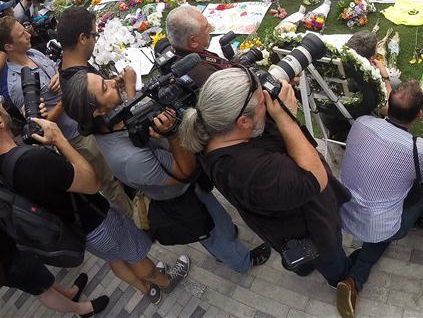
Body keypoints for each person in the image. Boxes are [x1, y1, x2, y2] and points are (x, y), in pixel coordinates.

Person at [61, 69, 269, 275]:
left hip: (186, 188)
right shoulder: (128, 158)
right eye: (105, 88)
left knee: (216, 224)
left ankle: (224, 242)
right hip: (181, 196)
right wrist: (172, 133)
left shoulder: (110, 122)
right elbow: (184, 171)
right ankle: (241, 262)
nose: (113, 82)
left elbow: (132, 115)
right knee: (214, 229)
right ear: (97, 111)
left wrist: (131, 89)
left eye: (105, 79)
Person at [177, 69, 352, 314]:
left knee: (301, 258)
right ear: (243, 122)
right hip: (312, 227)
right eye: (262, 102)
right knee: (329, 256)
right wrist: (286, 117)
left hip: (281, 230)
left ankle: (303, 268)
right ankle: (338, 278)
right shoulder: (251, 172)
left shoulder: (213, 133)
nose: (268, 102)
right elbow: (316, 178)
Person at [0, 106, 189, 304]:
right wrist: (59, 139)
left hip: (77, 230)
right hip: (97, 221)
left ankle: (147, 290)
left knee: (115, 259)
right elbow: (92, 183)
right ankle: (165, 282)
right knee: (136, 256)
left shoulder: (5, 166)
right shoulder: (31, 160)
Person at [0, 16, 132, 216]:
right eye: (22, 34)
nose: (28, 34)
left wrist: (59, 74)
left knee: (117, 165)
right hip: (76, 136)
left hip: (88, 119)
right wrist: (65, 100)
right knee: (110, 182)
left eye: (24, 29)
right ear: (9, 46)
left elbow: (57, 72)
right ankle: (136, 220)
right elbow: (38, 126)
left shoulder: (33, 52)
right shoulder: (16, 85)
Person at [337, 82, 423, 317]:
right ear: (420, 114)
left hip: (344, 210)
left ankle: (355, 277)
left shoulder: (361, 122)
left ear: (387, 107)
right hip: (381, 225)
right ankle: (356, 276)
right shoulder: (421, 148)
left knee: (382, 218)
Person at [0, 228, 108, 317]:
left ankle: (70, 294)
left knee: (41, 278)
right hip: (6, 263)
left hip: (10, 249)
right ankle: (81, 310)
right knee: (41, 291)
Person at [165, 5, 231, 87]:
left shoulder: (166, 49)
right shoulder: (207, 75)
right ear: (193, 41)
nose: (210, 28)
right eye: (206, 27)